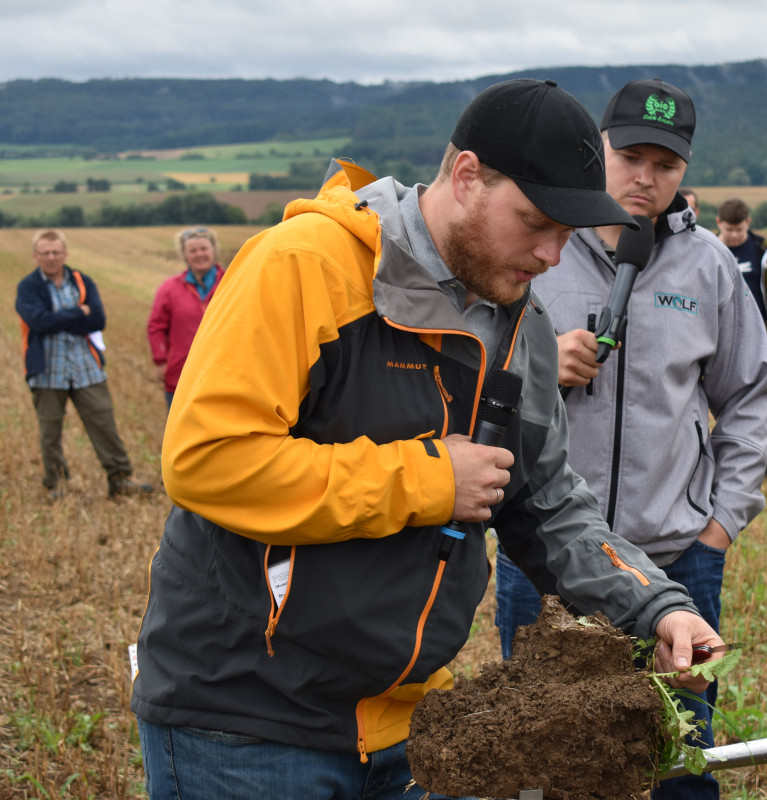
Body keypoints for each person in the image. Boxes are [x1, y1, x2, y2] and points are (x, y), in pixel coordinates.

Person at [129, 79, 724, 800]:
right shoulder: (305, 267)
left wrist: (657, 606)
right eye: (535, 221)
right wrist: (431, 481)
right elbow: (207, 460)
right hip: (246, 722)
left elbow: (548, 504)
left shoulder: (520, 328)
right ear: (467, 176)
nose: (551, 256)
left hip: (412, 727)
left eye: (567, 233)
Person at [493, 78, 767, 800]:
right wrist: (542, 366)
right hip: (546, 563)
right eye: (630, 157)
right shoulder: (538, 248)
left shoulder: (710, 265)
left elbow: (748, 396)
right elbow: (473, 387)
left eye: (667, 163)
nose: (646, 178)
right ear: (599, 149)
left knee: (679, 753)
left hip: (675, 558)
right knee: (543, 756)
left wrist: (720, 524)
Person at [15, 229, 156, 501]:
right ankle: (58, 485)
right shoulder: (28, 287)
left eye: (56, 252)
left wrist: (59, 319)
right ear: (35, 256)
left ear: (65, 253)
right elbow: (39, 321)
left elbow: (98, 320)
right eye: (45, 253)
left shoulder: (82, 281)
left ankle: (120, 479)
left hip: (86, 367)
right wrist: (79, 312)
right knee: (50, 432)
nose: (52, 257)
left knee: (104, 424)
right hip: (46, 372)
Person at [716, 196, 767, 480]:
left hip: (761, 337)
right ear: (719, 224)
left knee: (763, 399)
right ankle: (724, 462)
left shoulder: (765, 252)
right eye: (729, 230)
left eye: (739, 230)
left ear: (748, 223)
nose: (734, 236)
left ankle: (763, 461)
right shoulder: (708, 249)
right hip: (720, 335)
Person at [146, 226, 226, 409]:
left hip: (225, 375)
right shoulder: (169, 289)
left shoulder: (233, 282)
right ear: (184, 255)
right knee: (181, 435)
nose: (199, 254)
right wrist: (161, 360)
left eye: (204, 248)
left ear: (214, 251)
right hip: (181, 376)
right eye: (193, 250)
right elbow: (156, 328)